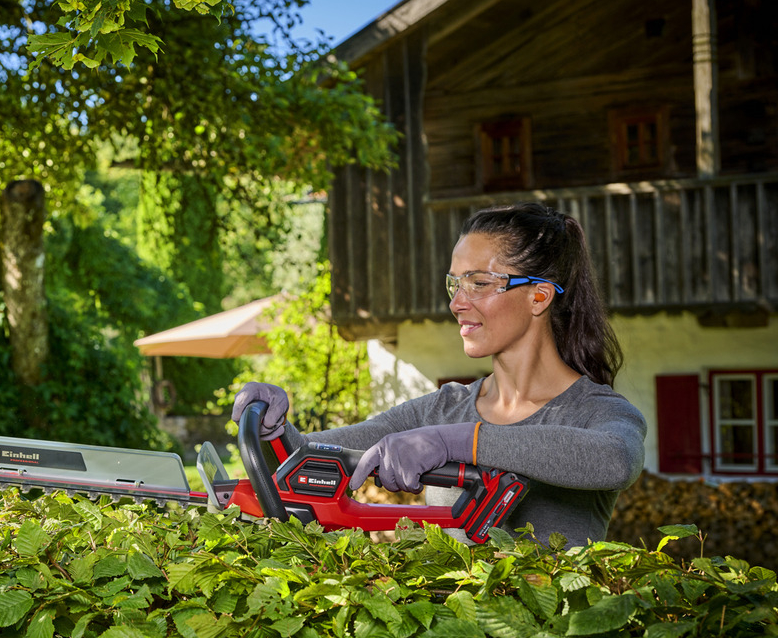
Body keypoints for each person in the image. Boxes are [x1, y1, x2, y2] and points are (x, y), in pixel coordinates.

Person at [232, 202, 646, 548]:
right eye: (455, 284)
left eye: (478, 283)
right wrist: (273, 430)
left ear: (539, 296)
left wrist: (457, 442)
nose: (457, 303)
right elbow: (307, 458)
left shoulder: (594, 410)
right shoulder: (442, 409)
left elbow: (616, 460)